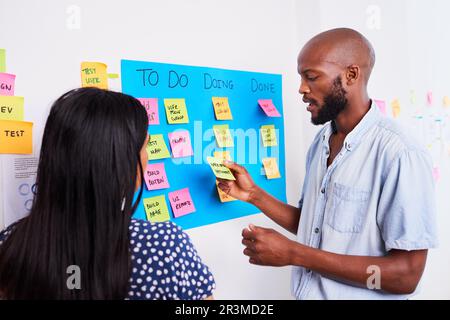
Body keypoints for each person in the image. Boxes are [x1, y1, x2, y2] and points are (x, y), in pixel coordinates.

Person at [217, 28, 438, 299]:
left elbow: (405, 276)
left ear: (351, 75)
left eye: (311, 77)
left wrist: (294, 253)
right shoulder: (321, 141)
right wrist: (254, 195)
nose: (301, 88)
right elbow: (315, 225)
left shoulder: (399, 153)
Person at [0, 87, 215, 300]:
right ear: (121, 163)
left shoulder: (10, 243)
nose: (148, 158)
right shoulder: (164, 247)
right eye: (145, 146)